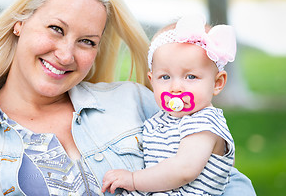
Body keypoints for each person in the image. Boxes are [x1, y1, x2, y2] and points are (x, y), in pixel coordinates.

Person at [0, 0, 255, 195]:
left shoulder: (136, 102)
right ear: (20, 23)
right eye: (56, 29)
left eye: (87, 41)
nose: (66, 54)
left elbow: (229, 185)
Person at [102, 14, 245, 195]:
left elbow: (184, 169)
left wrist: (133, 179)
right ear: (152, 80)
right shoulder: (160, 119)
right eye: (165, 77)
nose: (176, 87)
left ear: (217, 83)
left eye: (191, 77)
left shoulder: (205, 123)